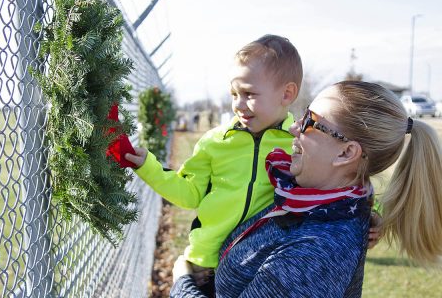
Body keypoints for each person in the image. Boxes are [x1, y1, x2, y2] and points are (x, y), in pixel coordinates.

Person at [169, 81, 442, 297]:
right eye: (303, 114)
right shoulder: (306, 198)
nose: (295, 126)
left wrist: (182, 283)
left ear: (346, 152)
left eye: (311, 121)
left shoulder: (318, 249)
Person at [126, 34, 303, 296]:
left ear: (287, 93)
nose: (238, 105)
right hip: (206, 266)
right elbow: (189, 193)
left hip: (260, 265)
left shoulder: (300, 143)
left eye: (249, 94)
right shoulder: (215, 142)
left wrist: (371, 211)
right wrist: (147, 166)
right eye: (234, 93)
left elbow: (339, 178)